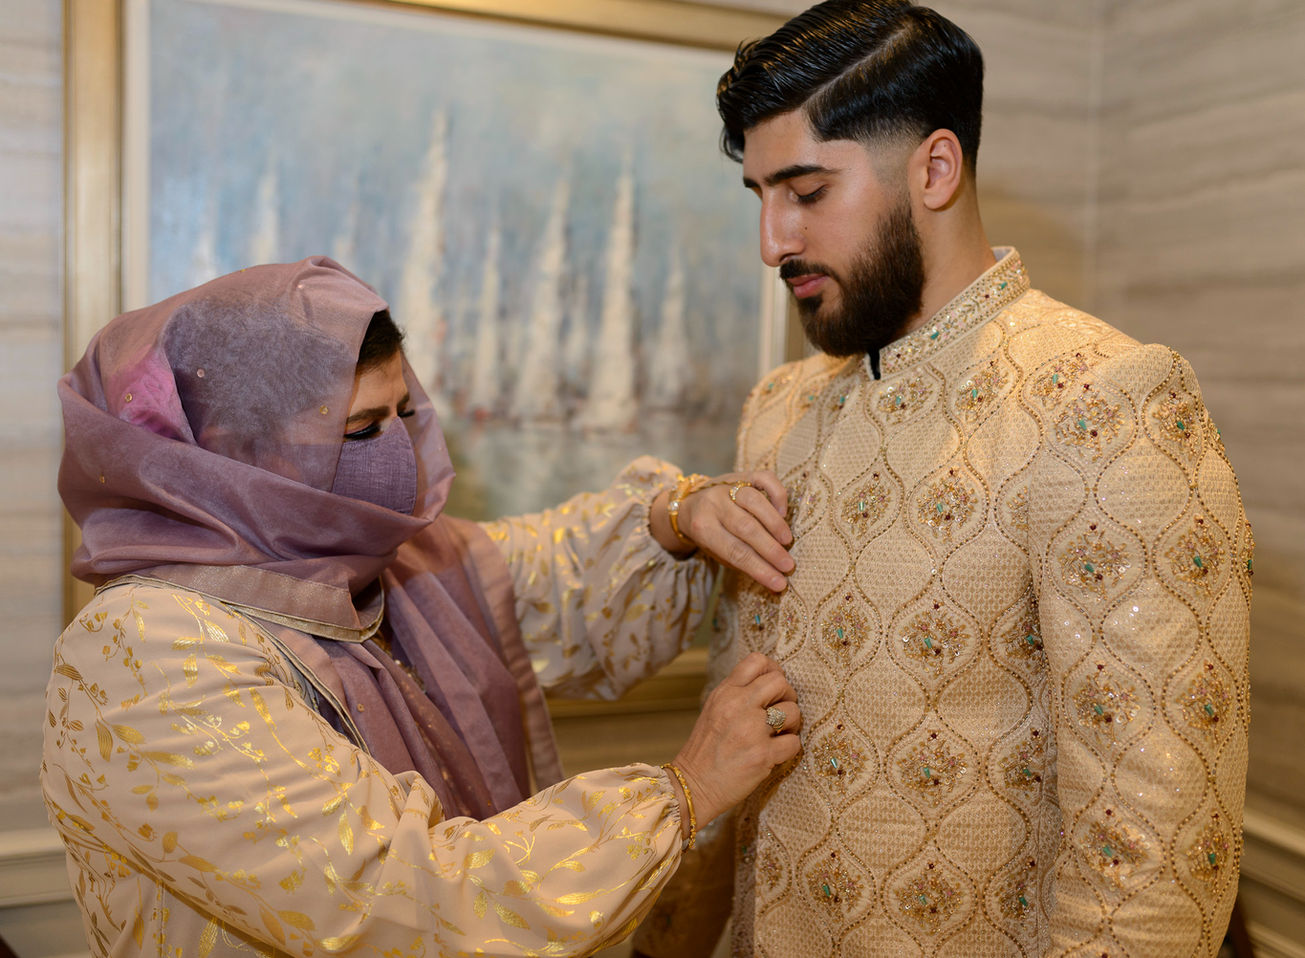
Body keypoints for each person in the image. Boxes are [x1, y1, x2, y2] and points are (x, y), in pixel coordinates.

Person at [633, 2, 1252, 956]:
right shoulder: (781, 405)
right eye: (758, 194)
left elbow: (1155, 847)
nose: (772, 241)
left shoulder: (1100, 399)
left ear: (933, 168)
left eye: (804, 190)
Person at [42, 256, 804, 956]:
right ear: (231, 450)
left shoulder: (379, 566)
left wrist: (677, 516)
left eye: (403, 416)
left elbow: (551, 570)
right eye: (361, 429)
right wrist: (684, 792)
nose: (397, 452)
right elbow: (396, 895)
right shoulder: (145, 650)